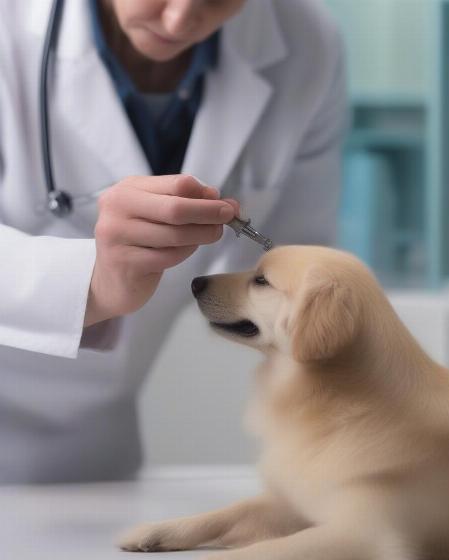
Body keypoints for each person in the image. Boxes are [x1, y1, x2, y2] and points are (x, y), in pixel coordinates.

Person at [0, 0, 346, 483]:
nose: (180, 20)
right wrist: (92, 281)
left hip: (94, 451)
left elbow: (298, 272)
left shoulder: (307, 42)